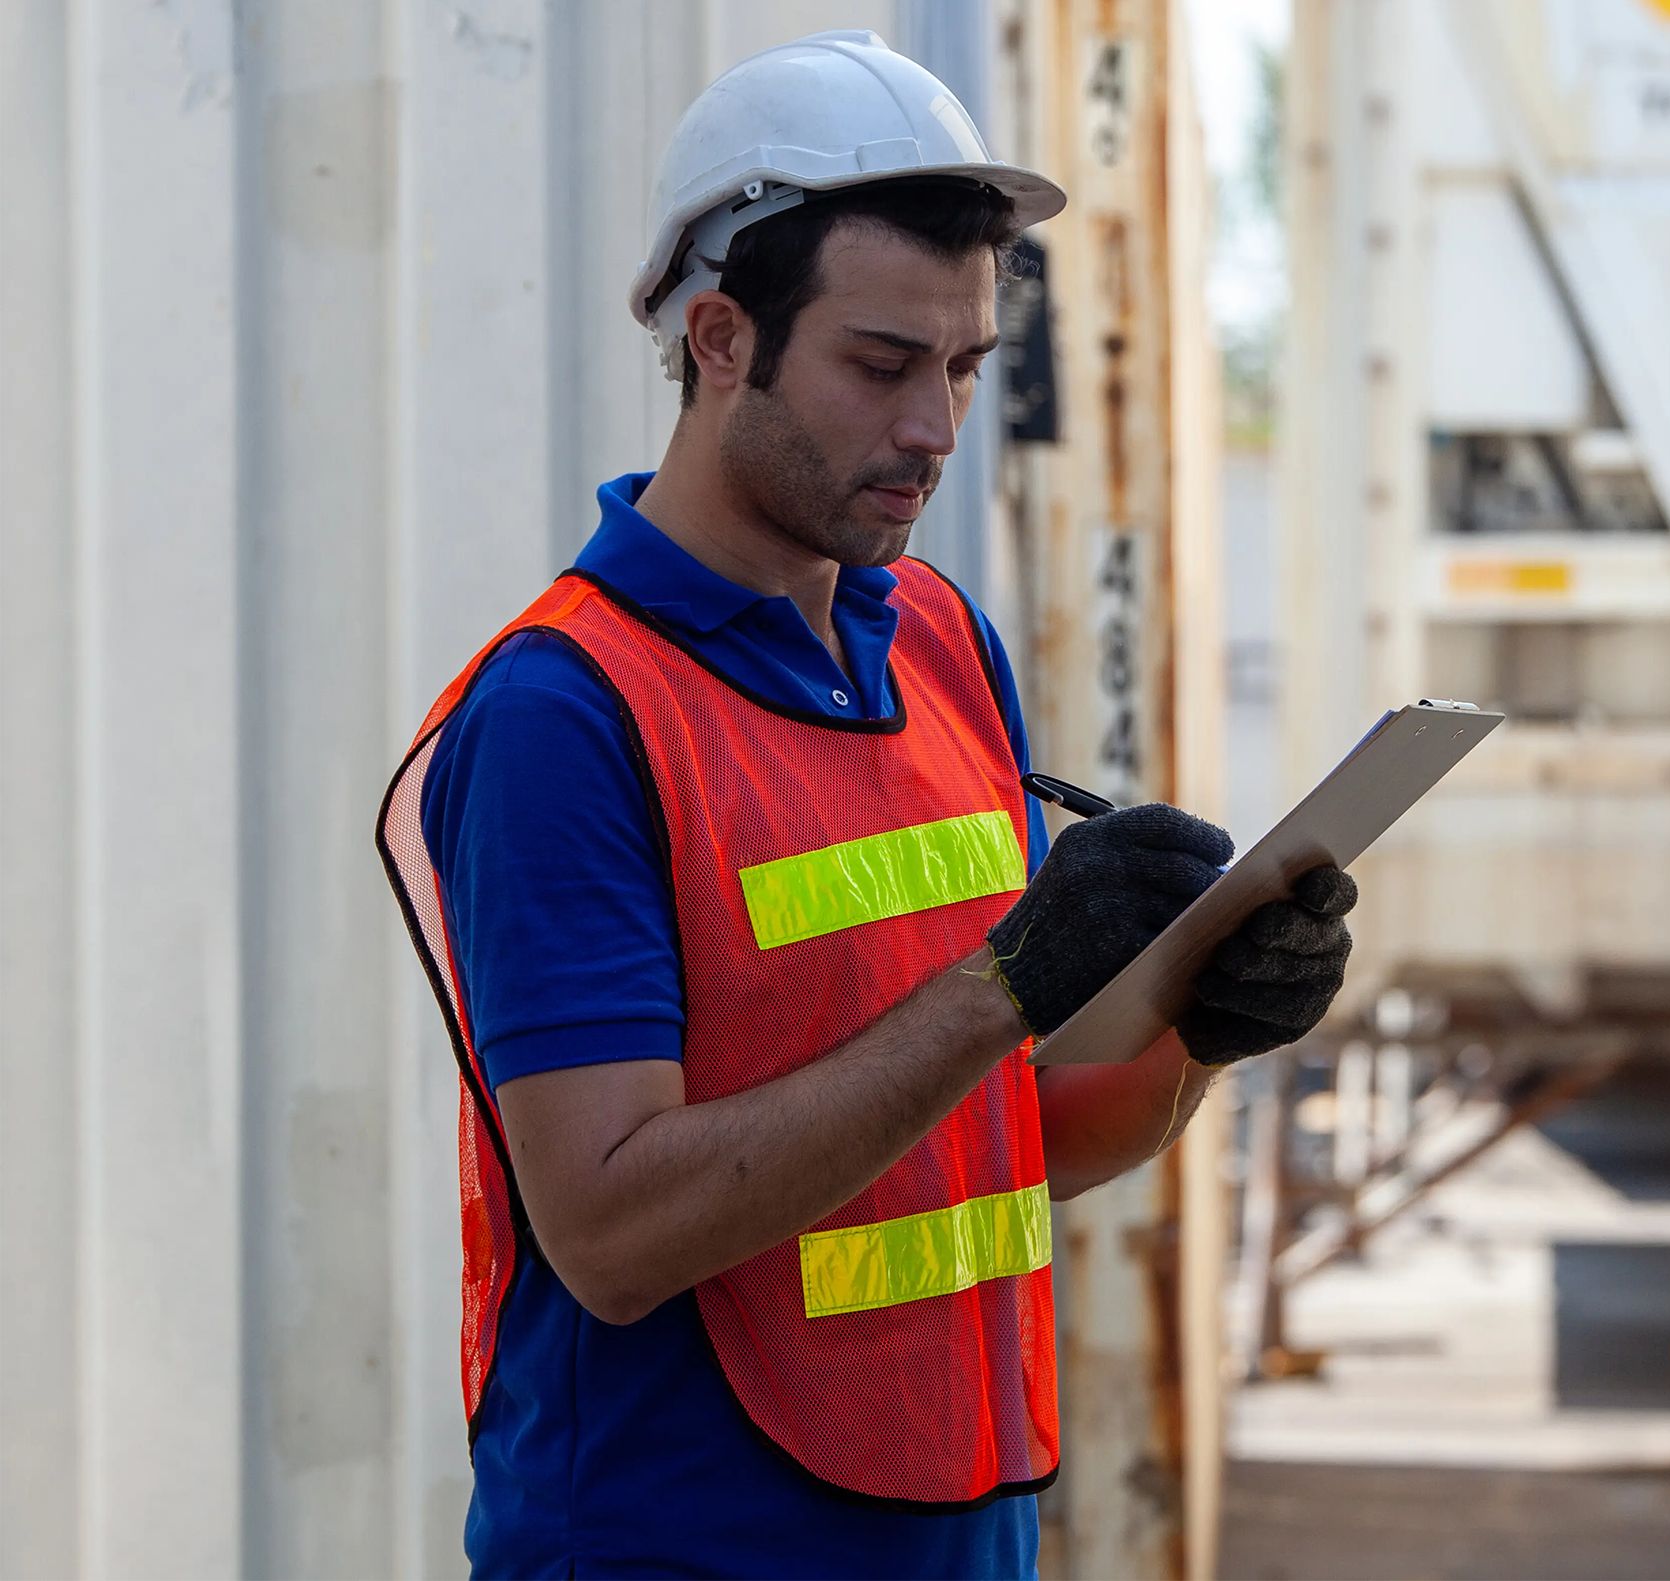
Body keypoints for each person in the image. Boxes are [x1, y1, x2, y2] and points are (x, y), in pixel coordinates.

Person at [374, 33, 1351, 1579]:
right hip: (675, 1545)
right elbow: (614, 1237)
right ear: (718, 340)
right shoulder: (568, 713)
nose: (937, 429)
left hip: (966, 1530)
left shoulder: (940, 641)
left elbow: (1007, 1143)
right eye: (881, 364)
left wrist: (1196, 1036)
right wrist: (1008, 984)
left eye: (964, 367)